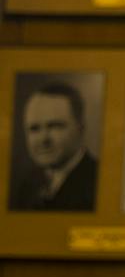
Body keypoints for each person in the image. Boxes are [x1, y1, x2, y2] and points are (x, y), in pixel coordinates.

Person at [10, 83, 101, 212]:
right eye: (34, 129)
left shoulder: (98, 182)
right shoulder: (27, 185)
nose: (43, 139)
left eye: (55, 126)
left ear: (80, 129)